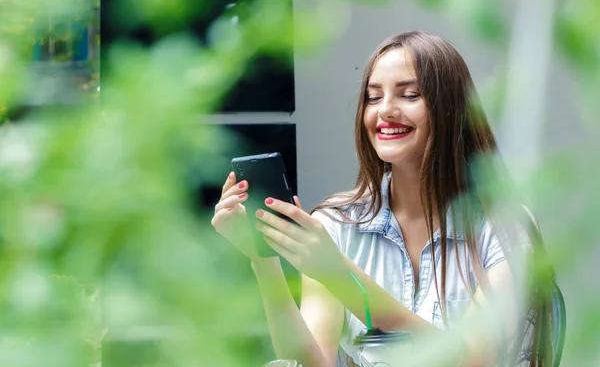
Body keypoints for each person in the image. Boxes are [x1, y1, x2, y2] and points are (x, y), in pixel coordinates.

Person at [211, 31, 558, 367]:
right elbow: (311, 360)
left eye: (409, 95)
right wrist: (264, 259)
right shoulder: (336, 227)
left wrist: (338, 274)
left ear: (452, 109)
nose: (385, 111)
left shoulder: (505, 228)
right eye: (374, 97)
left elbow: (471, 359)